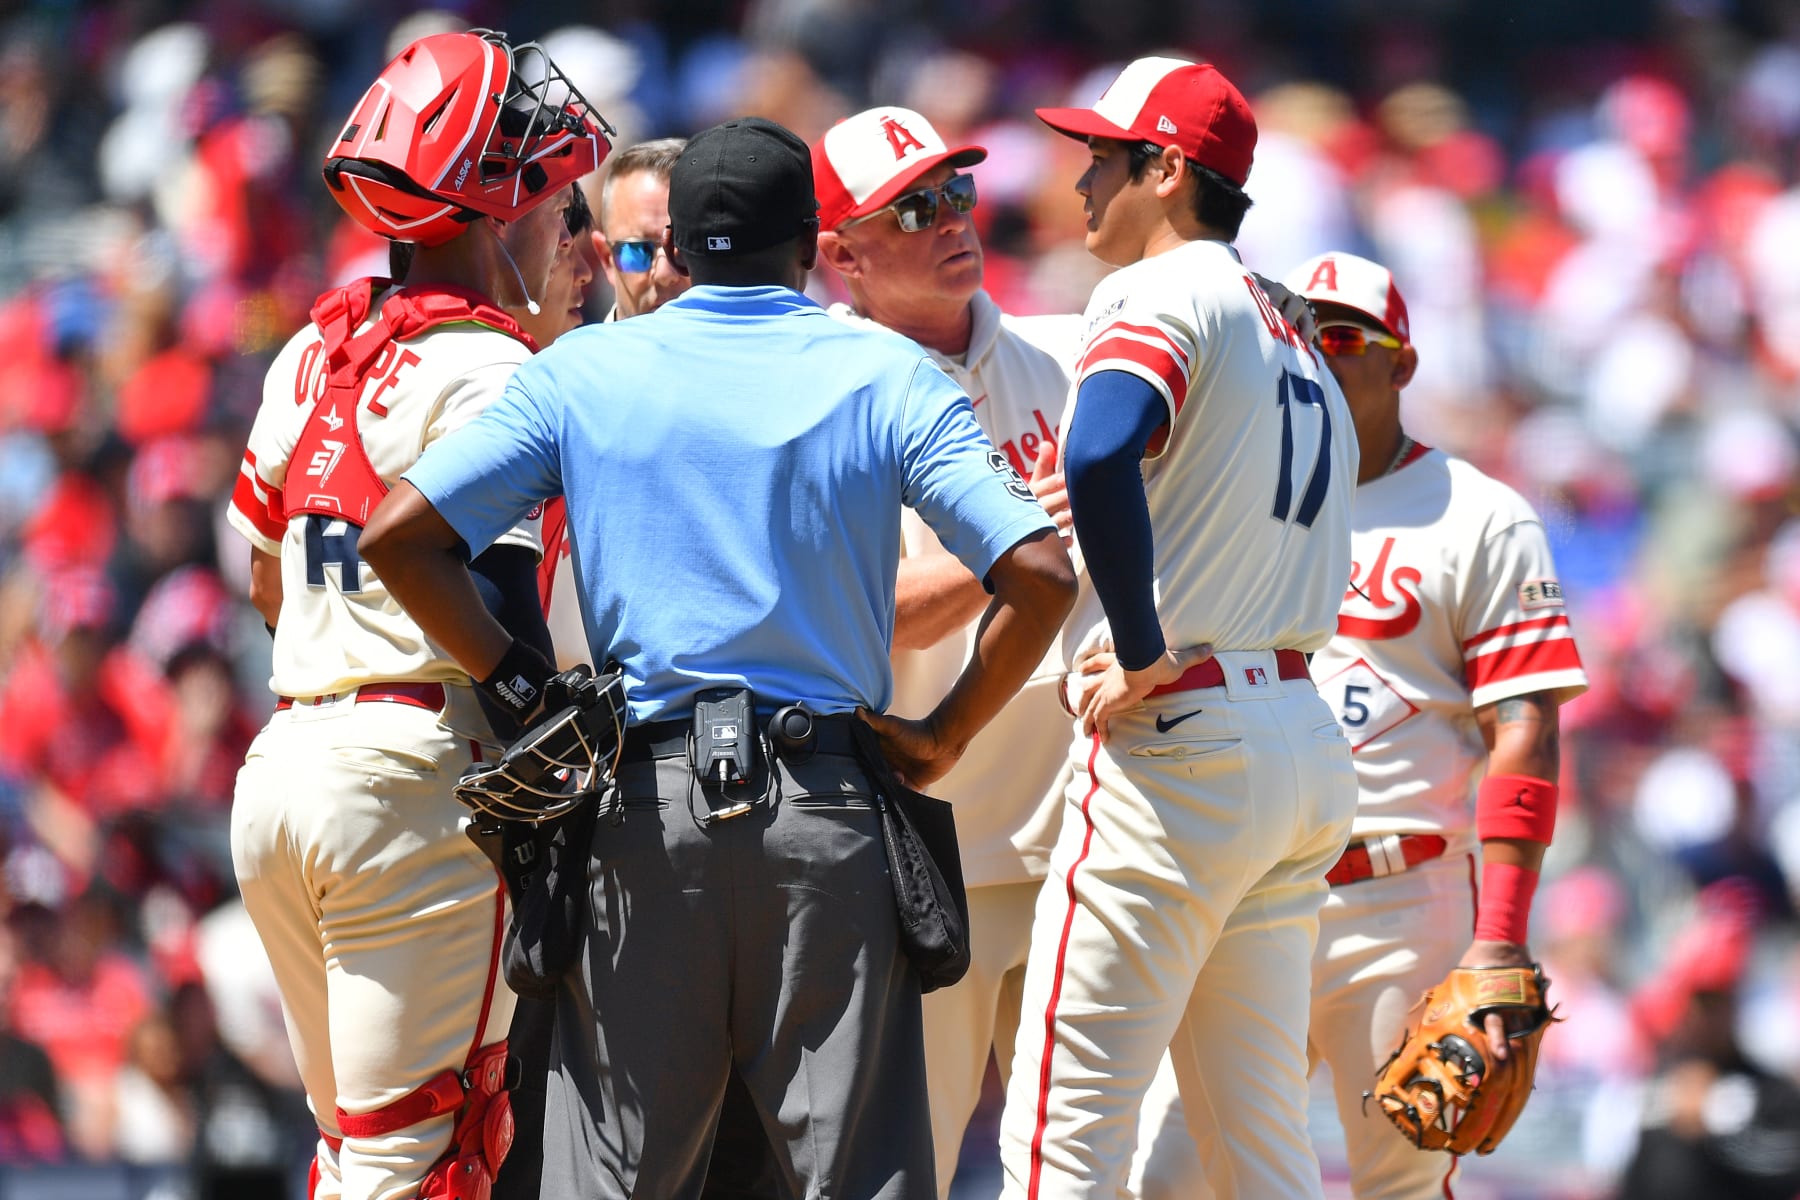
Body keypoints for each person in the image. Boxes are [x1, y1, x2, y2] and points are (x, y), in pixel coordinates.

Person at [358, 116, 1077, 1200]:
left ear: (681, 250)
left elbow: (400, 536)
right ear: (808, 246)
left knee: (613, 1181)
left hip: (642, 810)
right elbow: (1041, 575)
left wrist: (523, 689)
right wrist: (942, 734)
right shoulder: (882, 369)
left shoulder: (587, 369)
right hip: (828, 808)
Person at [222, 29, 609, 1200]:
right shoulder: (496, 371)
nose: (567, 227)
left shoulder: (309, 348)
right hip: (411, 774)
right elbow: (489, 597)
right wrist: (543, 711)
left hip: (287, 764)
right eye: (553, 198)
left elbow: (263, 575)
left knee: (356, 1148)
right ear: (496, 211)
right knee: (430, 1155)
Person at [1115, 250, 1589, 1198]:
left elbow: (1525, 731)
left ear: (1401, 363)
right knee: (1165, 1175)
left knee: (1400, 1184)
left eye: (1342, 337)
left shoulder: (1479, 516)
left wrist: (1497, 936)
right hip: (1251, 888)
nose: (1317, 356)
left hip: (1400, 898)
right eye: (1300, 335)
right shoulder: (1230, 498)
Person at [996, 57, 1361, 1200]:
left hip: (1184, 743)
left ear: (1166, 168)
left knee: (1062, 1138)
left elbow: (1097, 448)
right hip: (1299, 737)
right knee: (1259, 1146)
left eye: (1102, 157)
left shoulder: (1162, 289)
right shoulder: (1294, 330)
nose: (1079, 180)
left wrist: (1147, 645)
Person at [810, 104, 1092, 1198]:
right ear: (841, 256)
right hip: (908, 856)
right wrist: (1013, 536)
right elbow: (850, 615)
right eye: (914, 208)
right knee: (892, 1175)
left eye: (958, 193)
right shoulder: (817, 397)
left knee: (1089, 1175)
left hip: (1073, 842)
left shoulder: (1070, 360)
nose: (952, 221)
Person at [538, 139, 691, 669]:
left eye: (683, 248)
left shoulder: (773, 387)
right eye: (637, 251)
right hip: (580, 728)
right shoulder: (556, 389)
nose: (665, 273)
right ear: (604, 257)